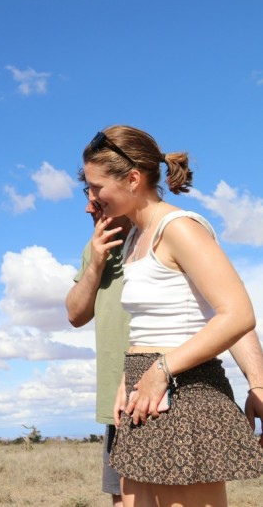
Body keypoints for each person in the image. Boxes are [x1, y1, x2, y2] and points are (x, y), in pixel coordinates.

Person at [80, 124, 263, 507]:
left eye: (96, 187)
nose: (91, 199)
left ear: (132, 179)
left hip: (185, 391)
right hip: (142, 393)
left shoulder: (180, 228)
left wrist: (161, 370)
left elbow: (237, 314)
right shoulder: (133, 238)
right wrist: (128, 379)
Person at [66, 191, 132, 507]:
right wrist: (96, 261)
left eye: (97, 197)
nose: (87, 208)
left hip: (164, 392)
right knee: (122, 498)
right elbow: (75, 314)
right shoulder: (95, 247)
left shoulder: (167, 234)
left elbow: (226, 311)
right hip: (116, 402)